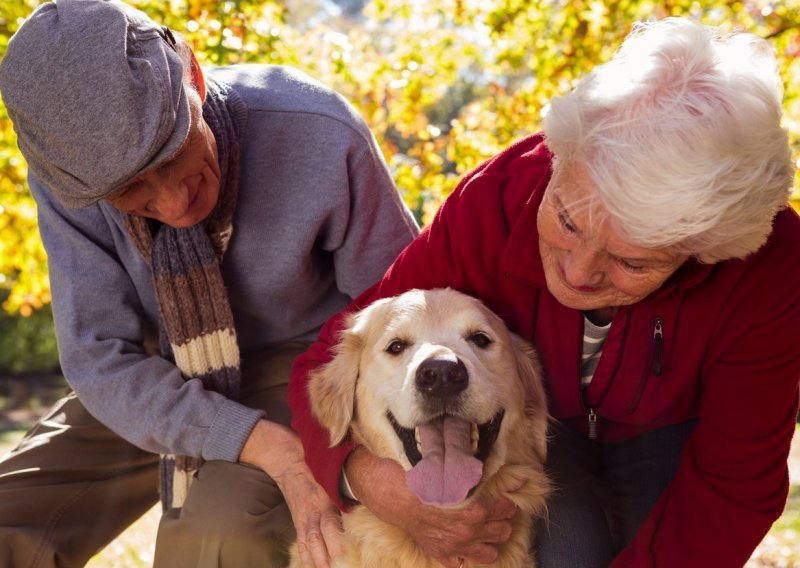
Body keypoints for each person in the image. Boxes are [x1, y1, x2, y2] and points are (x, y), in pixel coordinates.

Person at [289, 16, 800, 568]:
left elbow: (732, 486)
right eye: (568, 220)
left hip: (673, 438)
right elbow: (329, 365)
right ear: (561, 158)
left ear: (708, 247)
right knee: (571, 550)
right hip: (542, 431)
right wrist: (368, 479)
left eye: (632, 260)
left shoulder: (770, 269)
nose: (577, 274)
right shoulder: (494, 201)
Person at [0, 0, 419, 567]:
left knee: (217, 538)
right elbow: (99, 358)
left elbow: (405, 320)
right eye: (132, 191)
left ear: (193, 75)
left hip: (306, 366)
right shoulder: (72, 183)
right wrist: (261, 444)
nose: (174, 204)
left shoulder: (318, 130)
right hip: (153, 373)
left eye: (173, 153)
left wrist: (327, 459)